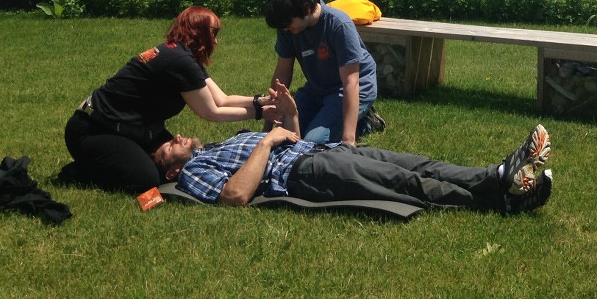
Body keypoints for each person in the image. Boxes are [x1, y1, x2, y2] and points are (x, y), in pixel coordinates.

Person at [156, 82, 553, 215]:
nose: (174, 138)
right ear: (172, 172)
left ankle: (501, 178)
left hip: (324, 152)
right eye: (166, 149)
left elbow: (288, 139)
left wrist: (290, 117)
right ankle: (506, 196)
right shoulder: (194, 174)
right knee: (404, 182)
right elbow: (235, 196)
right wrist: (267, 139)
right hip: (307, 176)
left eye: (171, 137)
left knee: (418, 163)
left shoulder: (223, 143)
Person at [64, 6, 273, 194]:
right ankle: (81, 171)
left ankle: (113, 161)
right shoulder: (179, 61)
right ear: (197, 32)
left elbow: (222, 99)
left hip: (131, 128)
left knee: (178, 163)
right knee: (148, 181)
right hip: (93, 129)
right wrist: (261, 113)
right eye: (213, 33)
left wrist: (261, 101)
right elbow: (211, 112)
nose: (216, 41)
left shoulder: (181, 55)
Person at [264, 0, 381, 145]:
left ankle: (363, 123)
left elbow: (351, 82)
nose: (285, 31)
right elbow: (282, 73)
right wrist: (267, 127)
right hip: (316, 89)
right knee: (285, 134)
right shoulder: (287, 27)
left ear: (306, 10)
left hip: (354, 88)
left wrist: (348, 140)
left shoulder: (338, 24)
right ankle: (328, 116)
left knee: (313, 142)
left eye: (289, 26)